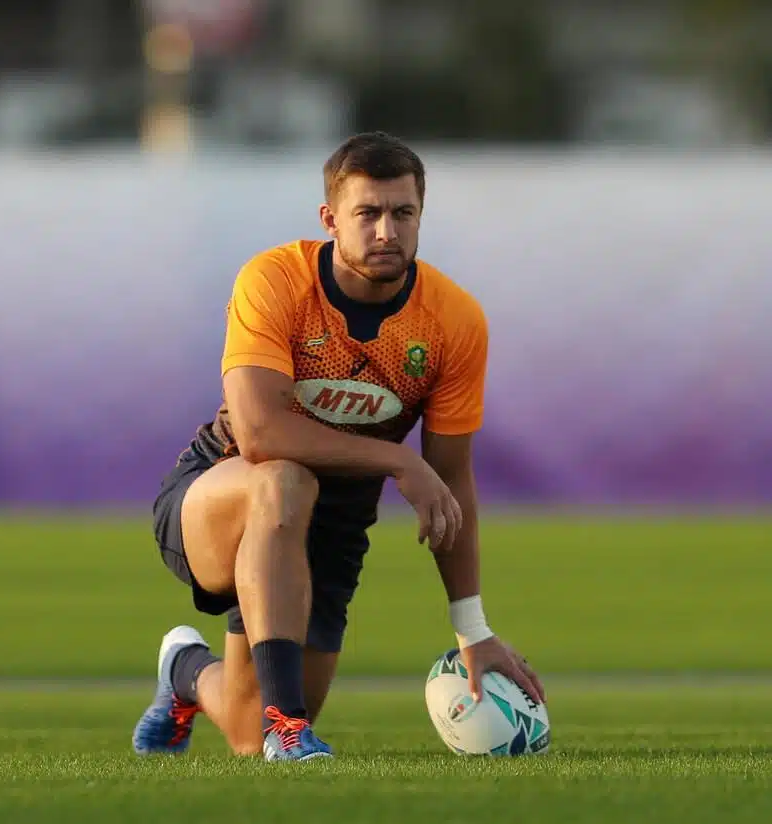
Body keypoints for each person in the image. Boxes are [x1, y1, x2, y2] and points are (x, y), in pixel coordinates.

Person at [131, 131, 545, 762]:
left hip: (335, 517)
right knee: (283, 481)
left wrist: (473, 628)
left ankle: (186, 670)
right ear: (330, 220)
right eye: (368, 213)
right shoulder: (275, 280)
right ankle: (289, 730)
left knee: (243, 734)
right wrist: (397, 459)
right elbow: (261, 435)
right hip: (224, 487)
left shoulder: (453, 321)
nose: (387, 231)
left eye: (403, 214)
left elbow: (452, 480)